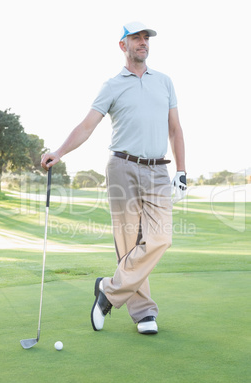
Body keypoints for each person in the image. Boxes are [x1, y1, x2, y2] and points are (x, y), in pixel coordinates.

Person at [41, 21, 187, 335]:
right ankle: (144, 312)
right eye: (136, 37)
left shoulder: (164, 82)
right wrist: (60, 152)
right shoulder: (111, 85)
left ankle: (107, 291)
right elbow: (86, 127)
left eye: (146, 38)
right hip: (122, 167)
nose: (143, 42)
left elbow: (175, 129)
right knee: (129, 243)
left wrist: (182, 170)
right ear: (123, 45)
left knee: (161, 237)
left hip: (159, 169)